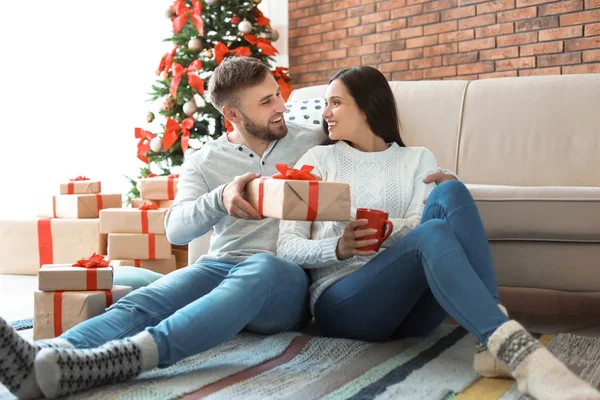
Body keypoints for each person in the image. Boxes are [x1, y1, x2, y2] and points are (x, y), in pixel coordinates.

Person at [0, 57, 454, 400]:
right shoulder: (204, 160)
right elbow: (176, 230)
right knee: (148, 299)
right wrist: (220, 199)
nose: (282, 106)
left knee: (258, 268)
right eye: (266, 101)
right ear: (232, 117)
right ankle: (45, 360)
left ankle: (135, 356)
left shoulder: (311, 141)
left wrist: (435, 181)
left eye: (278, 93)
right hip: (220, 265)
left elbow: (376, 148)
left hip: (282, 277)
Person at [276, 65, 600, 400]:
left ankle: (491, 342)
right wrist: (340, 247)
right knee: (430, 233)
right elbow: (286, 246)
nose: (325, 113)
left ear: (367, 106)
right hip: (345, 305)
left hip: (413, 313)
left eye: (336, 103)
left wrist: (382, 231)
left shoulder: (417, 159)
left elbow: (423, 230)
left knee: (452, 190)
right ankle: (515, 351)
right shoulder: (315, 160)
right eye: (325, 104)